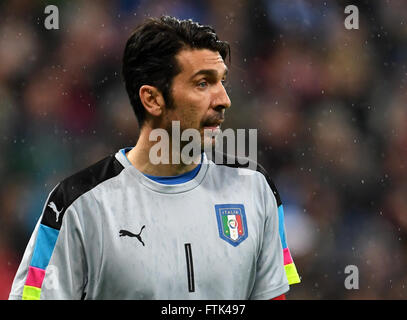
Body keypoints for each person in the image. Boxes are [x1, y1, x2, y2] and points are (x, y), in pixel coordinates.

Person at [9, 16, 300, 300]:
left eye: (221, 82)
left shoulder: (255, 188)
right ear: (152, 99)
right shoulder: (76, 204)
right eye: (202, 84)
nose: (224, 99)